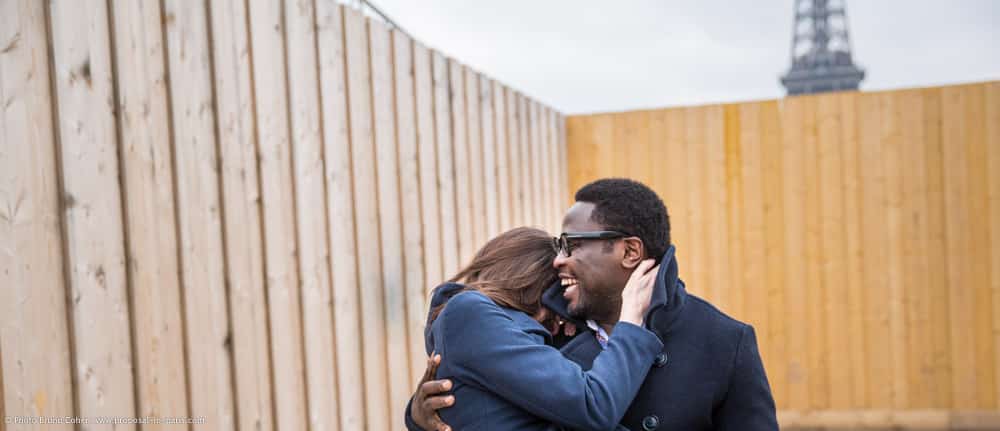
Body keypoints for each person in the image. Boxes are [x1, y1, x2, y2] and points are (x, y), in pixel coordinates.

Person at [409, 178, 779, 431]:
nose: (559, 260)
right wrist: (418, 416)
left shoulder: (724, 341)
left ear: (629, 251)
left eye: (571, 244)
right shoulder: (548, 333)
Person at [409, 226, 663, 431]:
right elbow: (593, 404)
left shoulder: (475, 325)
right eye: (557, 296)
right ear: (529, 282)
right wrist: (631, 321)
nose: (559, 322)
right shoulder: (470, 313)